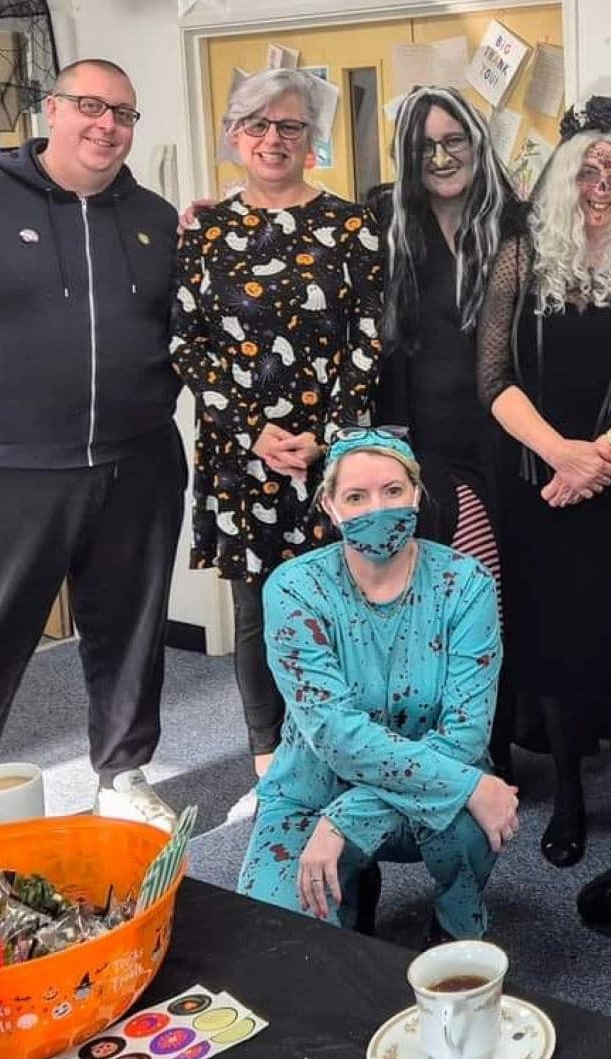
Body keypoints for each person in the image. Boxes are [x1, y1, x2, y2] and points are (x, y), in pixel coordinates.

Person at [0, 58, 184, 834]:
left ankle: (122, 774)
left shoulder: (156, 219)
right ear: (51, 110)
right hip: (11, 470)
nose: (106, 125)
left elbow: (178, 334)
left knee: (130, 633)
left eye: (123, 113)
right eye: (90, 106)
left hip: (138, 465)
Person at [477, 95, 611, 867]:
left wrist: (603, 455)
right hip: (538, 487)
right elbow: (491, 377)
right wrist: (562, 455)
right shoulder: (520, 258)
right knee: (553, 652)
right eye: (588, 169)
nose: (601, 184)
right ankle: (567, 793)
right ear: (563, 177)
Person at [171, 68, 382, 777]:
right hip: (242, 460)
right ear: (233, 136)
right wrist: (253, 433)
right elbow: (186, 344)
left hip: (331, 460)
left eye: (288, 125)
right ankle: (270, 762)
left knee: (340, 610)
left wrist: (326, 435)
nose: (272, 139)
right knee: (258, 616)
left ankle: (337, 751)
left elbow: (368, 339)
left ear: (309, 139)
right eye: (256, 125)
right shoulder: (204, 230)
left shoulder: (352, 225)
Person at [236, 429, 519, 942]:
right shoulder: (295, 589)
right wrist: (334, 813)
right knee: (278, 944)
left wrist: (349, 819)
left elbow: (466, 735)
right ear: (329, 504)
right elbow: (336, 736)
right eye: (356, 497)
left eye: (393, 491)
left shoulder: (466, 583)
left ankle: (457, 922)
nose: (378, 508)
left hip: (432, 781)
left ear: (416, 493)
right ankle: (351, 892)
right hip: (311, 792)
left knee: (475, 821)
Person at [367, 85, 524, 778]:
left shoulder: (518, 221)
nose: (440, 156)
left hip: (511, 442)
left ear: (476, 142)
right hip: (420, 449)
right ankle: (443, 748)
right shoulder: (380, 218)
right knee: (436, 606)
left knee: (507, 595)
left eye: (453, 139)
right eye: (424, 144)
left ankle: (501, 744)